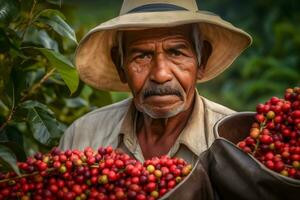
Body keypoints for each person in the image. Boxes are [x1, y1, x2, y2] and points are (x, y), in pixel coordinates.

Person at [59, 0, 252, 166]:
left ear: (202, 59)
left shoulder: (238, 142)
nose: (160, 75)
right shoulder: (82, 137)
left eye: (176, 53)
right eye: (142, 56)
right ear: (120, 65)